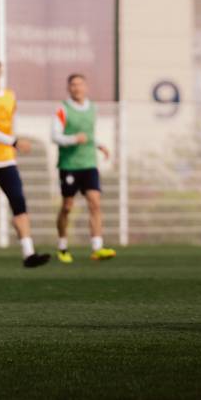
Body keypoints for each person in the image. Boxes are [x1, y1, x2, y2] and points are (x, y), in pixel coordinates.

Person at [0, 58, 49, 267]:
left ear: (1, 72)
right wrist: (14, 141)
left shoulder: (10, 96)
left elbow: (8, 125)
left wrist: (11, 143)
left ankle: (29, 253)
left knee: (18, 201)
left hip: (5, 160)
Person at [52, 74, 115, 263]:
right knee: (67, 207)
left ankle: (97, 248)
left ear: (86, 87)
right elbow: (54, 136)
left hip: (89, 163)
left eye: (80, 84)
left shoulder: (93, 108)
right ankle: (63, 246)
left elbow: (88, 134)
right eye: (73, 85)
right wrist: (72, 139)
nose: (76, 88)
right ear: (68, 88)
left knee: (95, 202)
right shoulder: (63, 109)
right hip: (69, 165)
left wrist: (99, 144)